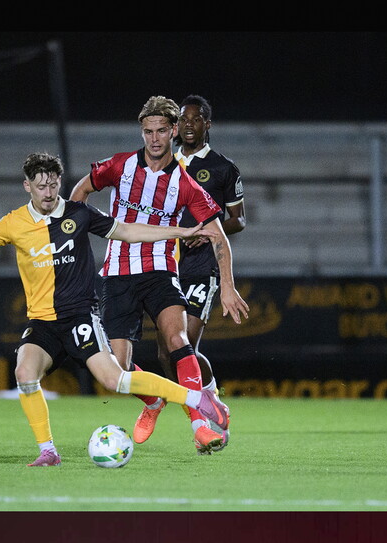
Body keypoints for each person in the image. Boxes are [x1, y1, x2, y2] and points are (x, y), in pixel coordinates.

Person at [0, 152, 230, 467]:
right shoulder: (14, 223)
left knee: (115, 380)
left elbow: (128, 231)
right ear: (27, 186)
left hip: (80, 317)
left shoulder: (79, 214)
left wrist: (182, 232)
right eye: (41, 186)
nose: (49, 193)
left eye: (53, 185)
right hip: (42, 323)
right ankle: (48, 451)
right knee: (24, 373)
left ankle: (197, 398)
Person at [69, 96, 249, 455]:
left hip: (161, 271)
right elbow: (81, 192)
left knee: (177, 340)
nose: (154, 139)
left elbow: (220, 236)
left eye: (162, 131)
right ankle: (153, 399)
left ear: (172, 132)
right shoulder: (120, 166)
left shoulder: (185, 184)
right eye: (148, 131)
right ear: (142, 131)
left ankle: (200, 421)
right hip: (118, 273)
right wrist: (73, 237)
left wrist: (227, 287)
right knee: (116, 372)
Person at [151, 95, 247, 453]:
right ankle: (210, 398)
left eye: (197, 118)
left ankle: (205, 418)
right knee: (165, 354)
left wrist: (206, 231)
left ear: (208, 124)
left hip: (200, 265)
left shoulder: (223, 169)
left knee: (184, 346)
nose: (189, 125)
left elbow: (237, 219)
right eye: (184, 119)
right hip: (162, 262)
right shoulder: (161, 162)